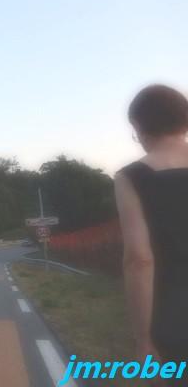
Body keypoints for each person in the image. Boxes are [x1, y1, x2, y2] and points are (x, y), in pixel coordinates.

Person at [115, 84, 188, 386]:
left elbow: (139, 260)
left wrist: (143, 339)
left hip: (172, 322)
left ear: (139, 127)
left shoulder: (132, 177)